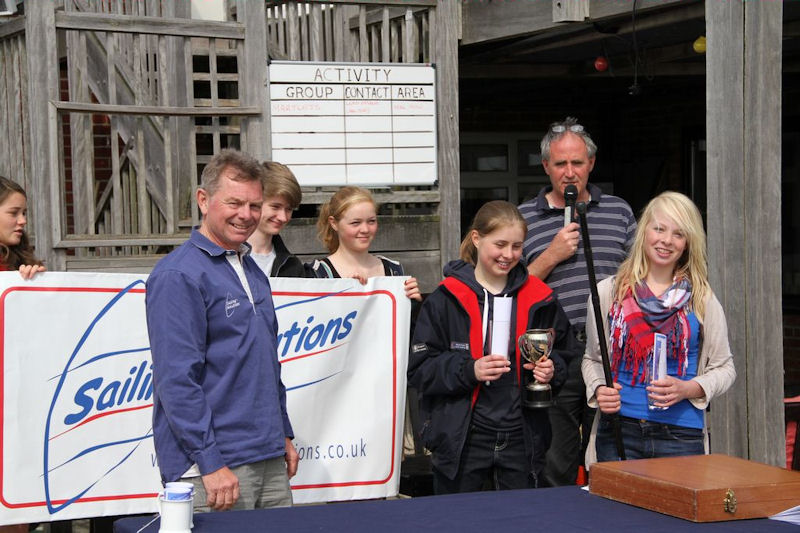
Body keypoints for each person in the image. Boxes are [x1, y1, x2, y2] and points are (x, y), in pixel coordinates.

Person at [145, 149, 298, 512]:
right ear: (203, 200)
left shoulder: (251, 269)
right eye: (234, 202)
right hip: (215, 468)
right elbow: (177, 380)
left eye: (254, 205)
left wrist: (284, 433)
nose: (246, 215)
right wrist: (209, 461)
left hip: (268, 455)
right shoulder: (178, 275)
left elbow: (266, 364)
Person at [407, 201, 575, 493]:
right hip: (463, 438)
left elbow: (566, 353)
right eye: (500, 244)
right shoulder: (446, 298)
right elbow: (420, 369)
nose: (508, 255)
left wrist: (552, 370)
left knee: (520, 522)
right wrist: (469, 369)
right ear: (476, 239)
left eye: (517, 246)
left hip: (523, 437)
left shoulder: (541, 297)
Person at [517, 117, 636, 486]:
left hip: (611, 356)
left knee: (613, 457)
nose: (569, 173)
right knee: (556, 461)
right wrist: (550, 256)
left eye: (577, 163)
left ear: (591, 164)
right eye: (560, 164)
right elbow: (511, 292)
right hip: (555, 358)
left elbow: (640, 279)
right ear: (546, 167)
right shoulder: (523, 218)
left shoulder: (619, 212)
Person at [582, 191, 736, 465]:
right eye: (659, 229)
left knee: (675, 510)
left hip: (680, 435)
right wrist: (598, 389)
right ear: (644, 233)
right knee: (612, 510)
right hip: (619, 430)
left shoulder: (701, 298)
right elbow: (592, 359)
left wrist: (689, 388)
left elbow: (725, 368)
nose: (666, 240)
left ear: (688, 243)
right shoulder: (609, 292)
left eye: (678, 234)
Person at [0, 176, 45, 533]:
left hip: (21, 412)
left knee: (18, 514)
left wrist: (40, 290)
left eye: (24, 212)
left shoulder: (23, 268)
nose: (23, 221)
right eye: (13, 212)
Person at [306, 186, 421, 302]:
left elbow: (405, 319)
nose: (365, 229)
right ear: (334, 223)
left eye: (371, 221)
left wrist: (412, 303)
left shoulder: (393, 271)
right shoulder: (318, 274)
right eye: (355, 223)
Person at [248, 161, 306, 277]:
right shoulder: (227, 257)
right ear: (255, 202)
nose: (283, 217)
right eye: (275, 207)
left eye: (289, 209)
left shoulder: (293, 266)